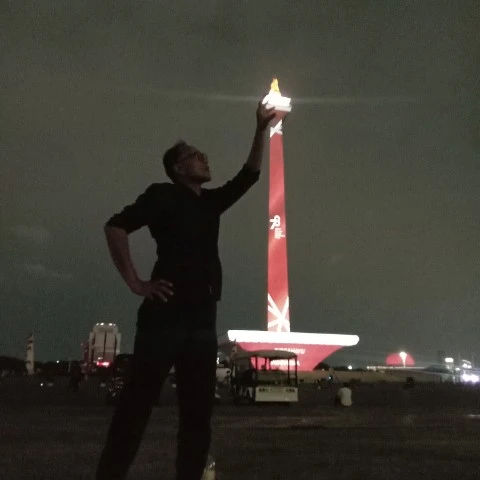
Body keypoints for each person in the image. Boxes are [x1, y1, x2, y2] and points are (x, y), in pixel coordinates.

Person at [95, 100, 275, 480]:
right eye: (195, 156)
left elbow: (249, 176)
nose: (204, 159)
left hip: (203, 319)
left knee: (197, 415)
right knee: (136, 407)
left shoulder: (209, 203)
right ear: (178, 168)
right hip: (165, 315)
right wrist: (135, 282)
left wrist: (261, 129)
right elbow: (116, 227)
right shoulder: (162, 194)